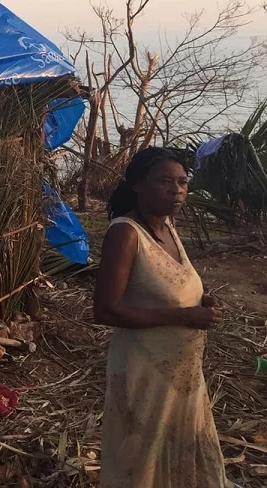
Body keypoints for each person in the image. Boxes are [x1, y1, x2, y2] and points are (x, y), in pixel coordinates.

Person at [94, 147, 230, 487]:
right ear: (138, 184)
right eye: (165, 182)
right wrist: (185, 316)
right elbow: (105, 310)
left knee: (182, 453)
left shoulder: (167, 227)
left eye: (183, 182)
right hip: (145, 372)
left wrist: (202, 300)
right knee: (144, 459)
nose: (176, 190)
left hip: (182, 374)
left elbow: (167, 284)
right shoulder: (125, 234)